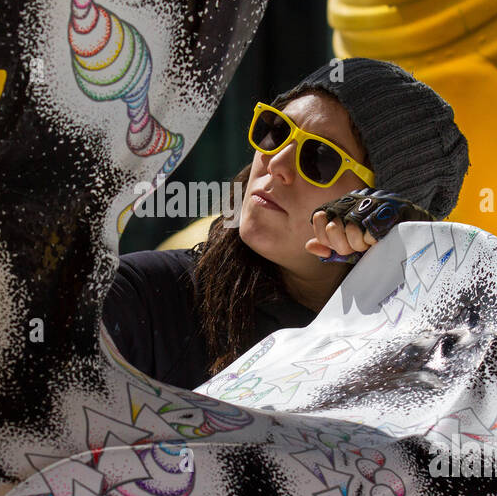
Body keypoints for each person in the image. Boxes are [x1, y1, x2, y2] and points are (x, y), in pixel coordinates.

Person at [103, 57, 470, 389]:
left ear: (375, 206)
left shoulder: (429, 361)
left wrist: (421, 258)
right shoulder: (144, 300)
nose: (276, 163)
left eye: (320, 157)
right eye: (277, 131)